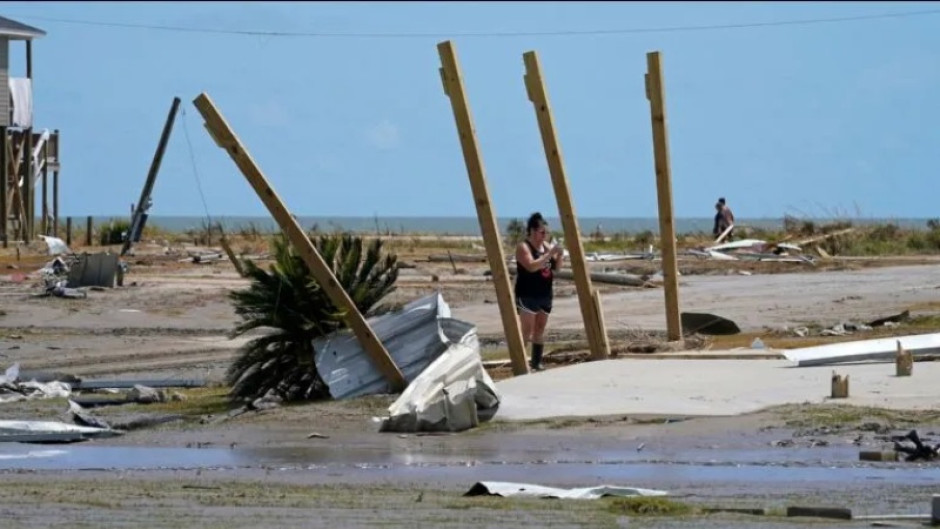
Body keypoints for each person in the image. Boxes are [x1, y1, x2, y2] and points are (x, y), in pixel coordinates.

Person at [514, 212, 564, 371]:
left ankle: (536, 362)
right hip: (528, 293)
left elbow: (556, 268)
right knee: (526, 329)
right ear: (533, 231)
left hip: (544, 293)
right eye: (542, 232)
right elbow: (531, 266)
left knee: (540, 328)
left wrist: (560, 255)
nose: (545, 236)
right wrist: (549, 254)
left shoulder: (547, 246)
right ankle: (520, 361)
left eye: (547, 233)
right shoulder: (524, 247)